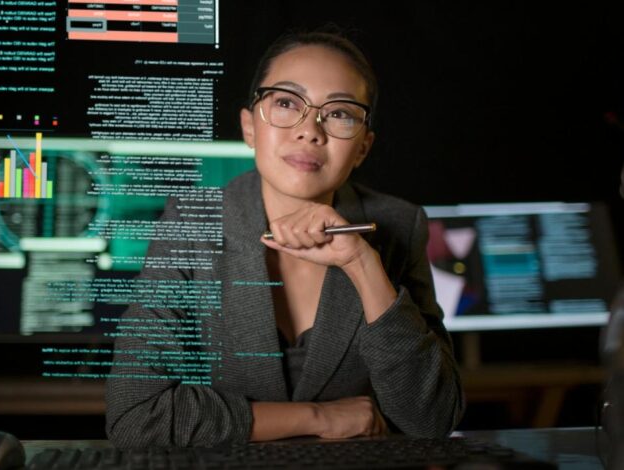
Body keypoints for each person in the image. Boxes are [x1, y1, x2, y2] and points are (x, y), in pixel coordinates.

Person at [105, 30, 465, 448]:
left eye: (340, 113)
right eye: (286, 103)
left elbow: (432, 419)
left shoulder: (400, 225)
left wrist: (363, 266)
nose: (310, 130)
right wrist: (319, 419)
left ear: (363, 148)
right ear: (249, 128)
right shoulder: (191, 221)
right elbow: (134, 416)